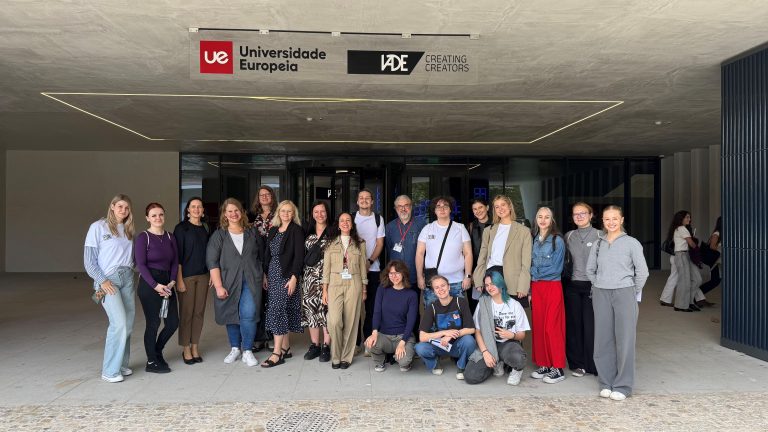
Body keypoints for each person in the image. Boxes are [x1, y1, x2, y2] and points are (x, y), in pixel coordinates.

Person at [586, 205, 649, 401]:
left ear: (621, 220)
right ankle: (606, 382)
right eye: (607, 219)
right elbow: (590, 269)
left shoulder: (632, 243)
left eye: (615, 218)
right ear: (602, 221)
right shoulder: (598, 243)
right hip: (601, 292)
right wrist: (599, 284)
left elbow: (643, 272)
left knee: (625, 339)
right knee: (602, 339)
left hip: (625, 293)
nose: (611, 222)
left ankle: (623, 385)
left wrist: (631, 290)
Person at [84, 194, 136, 383]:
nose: (123, 210)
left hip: (128, 278)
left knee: (128, 324)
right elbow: (89, 261)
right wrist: (102, 280)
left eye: (127, 208)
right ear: (112, 206)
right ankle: (109, 370)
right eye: (120, 206)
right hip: (108, 280)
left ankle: (121, 364)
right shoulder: (98, 227)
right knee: (119, 323)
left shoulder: (129, 230)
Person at [206, 198, 265, 367]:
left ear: (242, 212)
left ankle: (247, 350)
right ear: (225, 214)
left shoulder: (252, 232)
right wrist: (218, 285)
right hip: (228, 281)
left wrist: (265, 276)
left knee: (249, 313)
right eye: (229, 211)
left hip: (251, 280)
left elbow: (261, 256)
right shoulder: (219, 235)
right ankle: (235, 348)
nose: (233, 214)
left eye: (236, 210)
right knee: (231, 313)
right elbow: (212, 261)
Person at [135, 202, 179, 373]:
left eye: (160, 214)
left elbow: (175, 261)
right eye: (154, 215)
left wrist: (173, 281)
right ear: (147, 218)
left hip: (167, 284)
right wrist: (155, 285)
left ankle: (157, 351)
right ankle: (151, 362)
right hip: (149, 285)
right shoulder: (143, 237)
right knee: (153, 323)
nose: (158, 218)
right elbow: (141, 264)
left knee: (172, 323)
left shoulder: (170, 237)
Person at [464, 271, 530, 385]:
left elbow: (522, 334)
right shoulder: (483, 303)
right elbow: (478, 331)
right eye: (487, 285)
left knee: (519, 358)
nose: (490, 287)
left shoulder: (514, 305)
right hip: (488, 344)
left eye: (493, 283)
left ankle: (515, 370)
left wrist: (512, 335)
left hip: (507, 344)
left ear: (500, 283)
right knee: (471, 376)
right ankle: (495, 363)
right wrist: (485, 352)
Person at [261, 200, 305, 368]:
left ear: (293, 214)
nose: (286, 214)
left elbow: (299, 256)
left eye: (289, 211)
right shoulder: (272, 230)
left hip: (287, 274)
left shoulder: (296, 230)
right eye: (283, 211)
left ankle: (277, 352)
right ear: (278, 213)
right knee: (280, 308)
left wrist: (294, 277)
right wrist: (265, 274)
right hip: (272, 274)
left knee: (277, 310)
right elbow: (267, 254)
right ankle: (286, 347)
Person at [322, 213, 368, 369]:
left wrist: (364, 289)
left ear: (352, 224)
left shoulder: (360, 243)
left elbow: (363, 268)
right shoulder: (330, 243)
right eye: (342, 220)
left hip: (354, 283)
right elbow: (326, 269)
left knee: (351, 321)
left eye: (348, 220)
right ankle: (336, 355)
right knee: (334, 321)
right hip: (335, 283)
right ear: (338, 224)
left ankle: (345, 358)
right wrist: (324, 290)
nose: (345, 223)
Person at [528, 206, 567, 384]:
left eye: (547, 217)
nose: (543, 220)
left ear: (552, 220)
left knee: (552, 327)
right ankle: (544, 364)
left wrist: (535, 273)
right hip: (536, 288)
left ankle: (557, 368)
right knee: (539, 325)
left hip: (551, 287)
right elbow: (531, 263)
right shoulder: (535, 239)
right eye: (540, 217)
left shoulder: (557, 240)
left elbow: (556, 269)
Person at [472, 195, 532, 308]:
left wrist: (523, 285)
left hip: (513, 280)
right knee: (491, 319)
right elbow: (482, 258)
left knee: (513, 320)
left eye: (503, 205)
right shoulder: (488, 230)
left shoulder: (524, 231)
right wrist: (479, 279)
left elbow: (526, 262)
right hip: (491, 277)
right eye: (497, 207)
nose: (500, 209)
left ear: (510, 206)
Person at [414, 275, 477, 379]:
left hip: (457, 344)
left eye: (443, 286)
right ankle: (435, 363)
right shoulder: (432, 307)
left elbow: (471, 329)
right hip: (441, 344)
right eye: (437, 287)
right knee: (420, 347)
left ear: (448, 287)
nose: (440, 289)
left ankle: (461, 366)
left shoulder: (460, 302)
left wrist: (452, 335)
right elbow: (422, 337)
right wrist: (444, 333)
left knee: (469, 341)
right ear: (434, 291)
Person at [416, 196, 473, 306]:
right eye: (438, 206)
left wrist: (468, 276)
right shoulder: (427, 229)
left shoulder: (460, 228)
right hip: (434, 282)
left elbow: (468, 253)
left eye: (445, 206)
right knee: (433, 316)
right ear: (434, 210)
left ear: (450, 209)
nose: (442, 209)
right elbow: (419, 254)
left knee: (457, 317)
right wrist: (419, 277)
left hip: (456, 282)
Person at [563, 202, 599, 377]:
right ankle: (577, 363)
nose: (579, 216)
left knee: (591, 326)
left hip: (593, 286)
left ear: (591, 215)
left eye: (583, 213)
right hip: (572, 286)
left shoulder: (601, 234)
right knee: (574, 326)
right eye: (575, 214)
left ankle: (593, 363)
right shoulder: (568, 236)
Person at [173, 197, 210, 365]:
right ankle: (185, 348)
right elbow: (177, 256)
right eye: (193, 207)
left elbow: (209, 254)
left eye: (199, 207)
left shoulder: (206, 228)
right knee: (186, 314)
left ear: (203, 211)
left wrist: (211, 274)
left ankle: (195, 346)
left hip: (203, 276)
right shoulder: (181, 229)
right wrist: (178, 280)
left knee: (199, 313)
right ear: (188, 210)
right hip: (186, 277)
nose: (196, 209)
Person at [365, 260, 419, 372]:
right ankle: (380, 361)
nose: (394, 276)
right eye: (391, 273)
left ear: (403, 274)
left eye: (397, 273)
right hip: (385, 335)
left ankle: (401, 357)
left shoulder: (411, 294)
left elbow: (411, 321)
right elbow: (377, 312)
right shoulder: (382, 289)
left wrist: (403, 342)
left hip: (403, 336)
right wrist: (374, 333)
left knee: (404, 363)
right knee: (369, 344)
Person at [301, 201, 332, 362]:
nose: (320, 214)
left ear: (327, 213)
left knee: (326, 311)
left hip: (328, 279)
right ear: (312, 214)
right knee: (312, 311)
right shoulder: (306, 231)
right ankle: (315, 345)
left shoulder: (333, 231)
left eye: (323, 211)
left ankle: (326, 345)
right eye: (316, 212)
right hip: (309, 279)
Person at [354, 188, 385, 347]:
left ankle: (368, 341)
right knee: (353, 307)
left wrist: (370, 261)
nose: (364, 200)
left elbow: (380, 243)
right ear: (357, 201)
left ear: (372, 201)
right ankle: (355, 343)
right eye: (361, 198)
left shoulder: (378, 219)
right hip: (352, 271)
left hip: (373, 269)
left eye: (368, 198)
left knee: (372, 308)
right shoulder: (351, 218)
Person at [249, 185, 277, 352]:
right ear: (258, 198)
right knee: (258, 302)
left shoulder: (280, 214)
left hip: (275, 261)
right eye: (261, 195)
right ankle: (259, 337)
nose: (265, 197)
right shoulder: (252, 216)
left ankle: (273, 337)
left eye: (267, 194)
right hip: (257, 262)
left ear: (272, 197)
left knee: (273, 301)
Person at [385, 195, 426, 287]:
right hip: (396, 276)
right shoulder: (389, 227)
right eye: (400, 206)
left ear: (411, 207)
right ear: (396, 209)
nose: (403, 209)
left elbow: (427, 251)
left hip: (415, 274)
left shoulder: (421, 224)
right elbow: (389, 248)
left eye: (406, 205)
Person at [666, 211, 703, 312]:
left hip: (686, 255)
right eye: (687, 217)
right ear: (681, 218)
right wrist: (698, 246)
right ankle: (680, 305)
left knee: (697, 279)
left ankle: (689, 302)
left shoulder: (681, 229)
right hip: (682, 255)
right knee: (684, 281)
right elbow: (691, 244)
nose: (689, 219)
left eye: (689, 217)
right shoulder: (682, 229)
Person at [700, 217, 722, 296]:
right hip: (716, 261)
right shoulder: (717, 233)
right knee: (715, 281)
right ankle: (697, 295)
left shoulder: (721, 233)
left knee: (716, 281)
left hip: (719, 261)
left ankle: (698, 296)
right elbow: (712, 246)